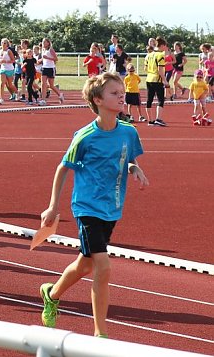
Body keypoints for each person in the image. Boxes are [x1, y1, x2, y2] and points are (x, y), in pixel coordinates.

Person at [39, 72, 148, 338]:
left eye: (122, 91)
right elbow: (63, 168)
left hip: (112, 207)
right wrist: (53, 206)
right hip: (87, 207)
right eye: (114, 93)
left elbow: (125, 159)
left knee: (85, 264)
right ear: (97, 100)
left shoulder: (128, 132)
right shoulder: (85, 136)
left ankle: (51, 294)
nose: (121, 95)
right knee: (103, 266)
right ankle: (100, 335)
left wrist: (135, 168)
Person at [144, 37, 168, 126]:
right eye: (165, 46)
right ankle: (158, 118)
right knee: (160, 99)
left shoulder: (149, 55)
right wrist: (165, 80)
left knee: (149, 99)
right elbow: (160, 69)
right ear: (162, 45)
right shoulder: (160, 55)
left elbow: (145, 68)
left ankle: (150, 120)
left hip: (149, 78)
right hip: (157, 79)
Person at [40, 38, 66, 105]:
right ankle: (43, 100)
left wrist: (47, 58)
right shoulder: (43, 50)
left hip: (51, 68)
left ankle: (60, 94)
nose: (43, 43)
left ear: (48, 43)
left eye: (45, 42)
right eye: (43, 42)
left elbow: (56, 59)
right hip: (44, 68)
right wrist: (40, 61)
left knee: (51, 85)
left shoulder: (51, 50)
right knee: (43, 84)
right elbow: (44, 58)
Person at [0, 38, 18, 104]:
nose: (3, 44)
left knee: (10, 85)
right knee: (2, 83)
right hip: (3, 69)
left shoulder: (9, 51)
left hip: (10, 69)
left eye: (4, 43)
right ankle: (1, 99)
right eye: (2, 42)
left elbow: (13, 60)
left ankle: (16, 92)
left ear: (7, 44)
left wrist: (5, 61)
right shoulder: (0, 51)